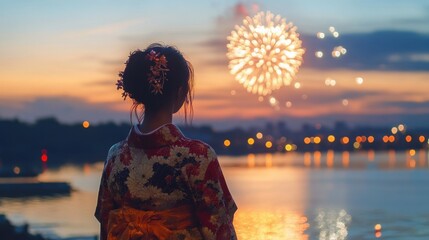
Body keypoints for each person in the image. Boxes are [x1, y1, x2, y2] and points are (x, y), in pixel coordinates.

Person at [95, 43, 237, 240]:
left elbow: (106, 225)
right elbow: (219, 231)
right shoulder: (197, 156)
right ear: (180, 93)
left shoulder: (116, 157)